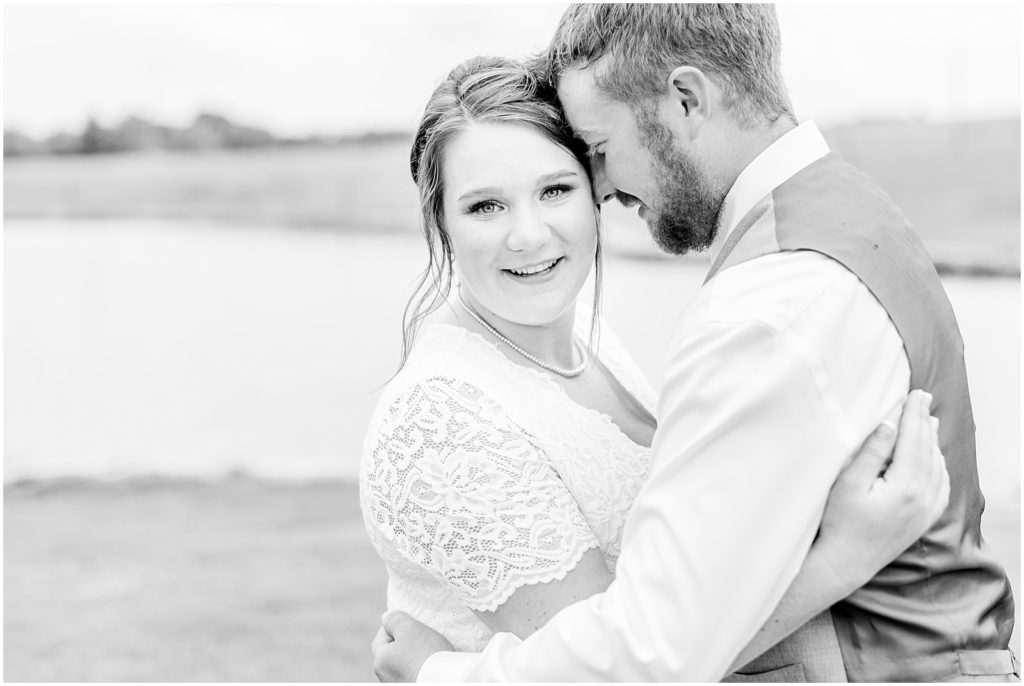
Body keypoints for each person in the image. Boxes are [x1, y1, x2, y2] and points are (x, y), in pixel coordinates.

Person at [374, 5, 1017, 683]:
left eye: (592, 154)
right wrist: (841, 556)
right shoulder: (850, 214)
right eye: (484, 205)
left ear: (686, 100)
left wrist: (444, 674)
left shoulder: (765, 306)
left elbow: (652, 650)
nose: (602, 188)